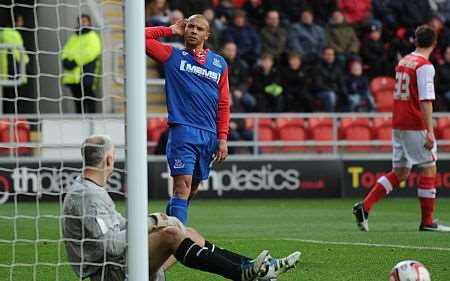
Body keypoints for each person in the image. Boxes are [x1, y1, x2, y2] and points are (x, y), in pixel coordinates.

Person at [62, 135, 302, 281]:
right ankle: (241, 274)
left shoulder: (89, 188)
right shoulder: (88, 196)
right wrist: (152, 223)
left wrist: (157, 219)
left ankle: (256, 269)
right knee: (172, 234)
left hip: (117, 263)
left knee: (187, 232)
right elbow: (111, 244)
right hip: (109, 273)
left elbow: (117, 231)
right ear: (108, 161)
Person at [352, 25, 450, 232]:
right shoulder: (425, 66)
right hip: (415, 124)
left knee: (402, 171)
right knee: (429, 167)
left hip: (398, 123)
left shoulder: (404, 60)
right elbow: (425, 100)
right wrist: (430, 131)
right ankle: (427, 221)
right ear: (434, 43)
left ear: (414, 40)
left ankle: (365, 206)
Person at [145, 15, 230, 224]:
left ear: (206, 35)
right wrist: (170, 30)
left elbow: (224, 103)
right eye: (190, 26)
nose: (193, 31)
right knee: (181, 188)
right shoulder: (172, 57)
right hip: (183, 131)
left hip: (209, 135)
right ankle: (178, 245)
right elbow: (138, 37)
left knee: (190, 190)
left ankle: (166, 230)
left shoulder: (219, 64)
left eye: (199, 28)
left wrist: (223, 137)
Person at [62, 14, 102, 114]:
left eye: (85, 21)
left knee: (88, 96)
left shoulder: (92, 36)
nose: (83, 23)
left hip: (87, 71)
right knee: (77, 99)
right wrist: (65, 60)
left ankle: (93, 119)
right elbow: (66, 50)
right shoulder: (74, 38)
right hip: (73, 75)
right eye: (81, 21)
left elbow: (91, 52)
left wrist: (75, 61)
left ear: (89, 23)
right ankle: (79, 119)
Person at [0, 17, 30, 114]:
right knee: (11, 100)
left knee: (9, 99)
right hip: (11, 72)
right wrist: (26, 61)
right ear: (15, 21)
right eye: (20, 20)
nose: (22, 23)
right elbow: (17, 52)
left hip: (9, 71)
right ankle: (9, 125)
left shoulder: (5, 32)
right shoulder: (10, 33)